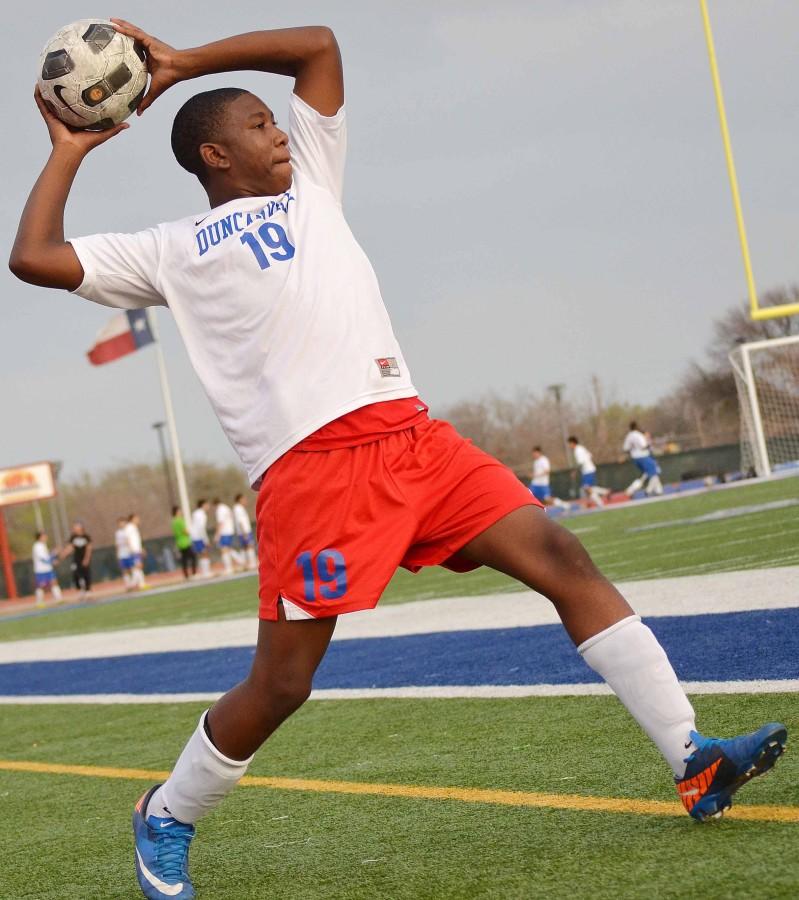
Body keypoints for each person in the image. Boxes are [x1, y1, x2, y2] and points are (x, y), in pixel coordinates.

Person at [10, 20, 786, 900]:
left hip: (415, 439)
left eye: (278, 122)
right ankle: (169, 811)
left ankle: (691, 759)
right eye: (261, 126)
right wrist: (70, 149)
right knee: (283, 682)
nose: (281, 133)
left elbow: (318, 46)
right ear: (217, 155)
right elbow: (32, 256)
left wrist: (186, 60)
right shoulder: (170, 250)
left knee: (563, 560)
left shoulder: (315, 187)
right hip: (313, 471)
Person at [623, 421, 664, 497]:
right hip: (643, 456)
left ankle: (658, 490)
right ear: (636, 426)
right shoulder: (638, 435)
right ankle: (644, 490)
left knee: (647, 474)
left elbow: (625, 448)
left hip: (635, 458)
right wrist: (649, 444)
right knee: (653, 473)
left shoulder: (628, 436)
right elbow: (644, 445)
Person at [567, 436, 610, 508]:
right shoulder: (581, 448)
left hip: (588, 470)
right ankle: (604, 493)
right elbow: (590, 455)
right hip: (588, 470)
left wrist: (575, 472)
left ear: (572, 443)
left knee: (587, 488)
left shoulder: (577, 450)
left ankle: (601, 502)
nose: (569, 446)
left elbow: (581, 462)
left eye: (569, 444)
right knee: (587, 488)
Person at [529, 446, 569, 511]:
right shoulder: (535, 462)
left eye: (535, 453)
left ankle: (563, 504)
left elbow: (547, 471)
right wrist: (533, 475)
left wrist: (536, 475)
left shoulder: (544, 460)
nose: (534, 455)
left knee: (547, 499)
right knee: (529, 496)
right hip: (535, 484)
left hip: (543, 484)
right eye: (533, 454)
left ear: (539, 452)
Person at [62, 521, 93, 600]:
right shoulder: (73, 537)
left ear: (81, 528)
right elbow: (70, 547)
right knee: (76, 575)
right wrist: (64, 554)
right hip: (76, 559)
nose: (74, 530)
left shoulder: (86, 537)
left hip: (84, 558)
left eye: (76, 528)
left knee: (86, 575)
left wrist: (86, 559)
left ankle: (88, 590)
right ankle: (80, 591)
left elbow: (89, 549)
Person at [31, 531, 62, 607]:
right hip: (40, 570)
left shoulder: (43, 545)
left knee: (54, 582)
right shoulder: (37, 546)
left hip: (48, 569)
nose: (46, 537)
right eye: (44, 536)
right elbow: (44, 559)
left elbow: (47, 557)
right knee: (41, 586)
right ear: (40, 537)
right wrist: (53, 555)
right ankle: (39, 602)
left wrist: (53, 557)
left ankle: (59, 599)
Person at [213, 498, 244, 575]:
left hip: (224, 531)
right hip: (230, 530)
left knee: (224, 549)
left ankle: (229, 568)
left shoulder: (219, 510)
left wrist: (217, 534)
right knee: (228, 548)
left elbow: (220, 523)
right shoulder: (226, 507)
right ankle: (240, 560)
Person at [233, 493, 257, 570]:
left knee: (246, 547)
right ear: (239, 499)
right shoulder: (238, 508)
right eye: (243, 499)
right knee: (249, 546)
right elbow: (240, 521)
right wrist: (244, 532)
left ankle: (246, 564)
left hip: (245, 531)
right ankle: (251, 563)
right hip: (244, 531)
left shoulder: (240, 508)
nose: (245, 501)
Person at [172, 506, 197, 580]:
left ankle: (186, 575)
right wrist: (190, 533)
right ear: (177, 512)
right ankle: (194, 573)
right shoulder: (180, 520)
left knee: (184, 559)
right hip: (185, 542)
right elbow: (185, 531)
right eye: (180, 511)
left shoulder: (173, 522)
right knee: (193, 557)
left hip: (179, 542)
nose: (181, 512)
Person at [124, 513, 148, 590]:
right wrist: (131, 549)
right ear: (132, 519)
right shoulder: (129, 527)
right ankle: (135, 584)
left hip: (137, 549)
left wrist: (141, 549)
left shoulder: (134, 527)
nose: (138, 520)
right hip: (133, 550)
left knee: (138, 567)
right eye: (136, 518)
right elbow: (127, 539)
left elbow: (136, 540)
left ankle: (139, 584)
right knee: (137, 566)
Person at [190, 499, 213, 579]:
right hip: (199, 536)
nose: (208, 507)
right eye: (207, 504)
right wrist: (205, 540)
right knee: (205, 553)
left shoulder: (195, 513)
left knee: (201, 554)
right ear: (203, 505)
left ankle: (204, 572)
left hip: (194, 536)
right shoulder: (202, 514)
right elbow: (201, 528)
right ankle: (206, 572)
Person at [115, 516, 134, 591]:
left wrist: (131, 550)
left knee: (132, 569)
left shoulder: (128, 531)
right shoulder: (117, 533)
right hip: (122, 554)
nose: (122, 524)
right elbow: (117, 544)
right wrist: (117, 553)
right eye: (120, 523)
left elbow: (130, 542)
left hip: (128, 553)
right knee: (124, 570)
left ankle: (133, 583)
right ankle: (128, 585)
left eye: (123, 523)